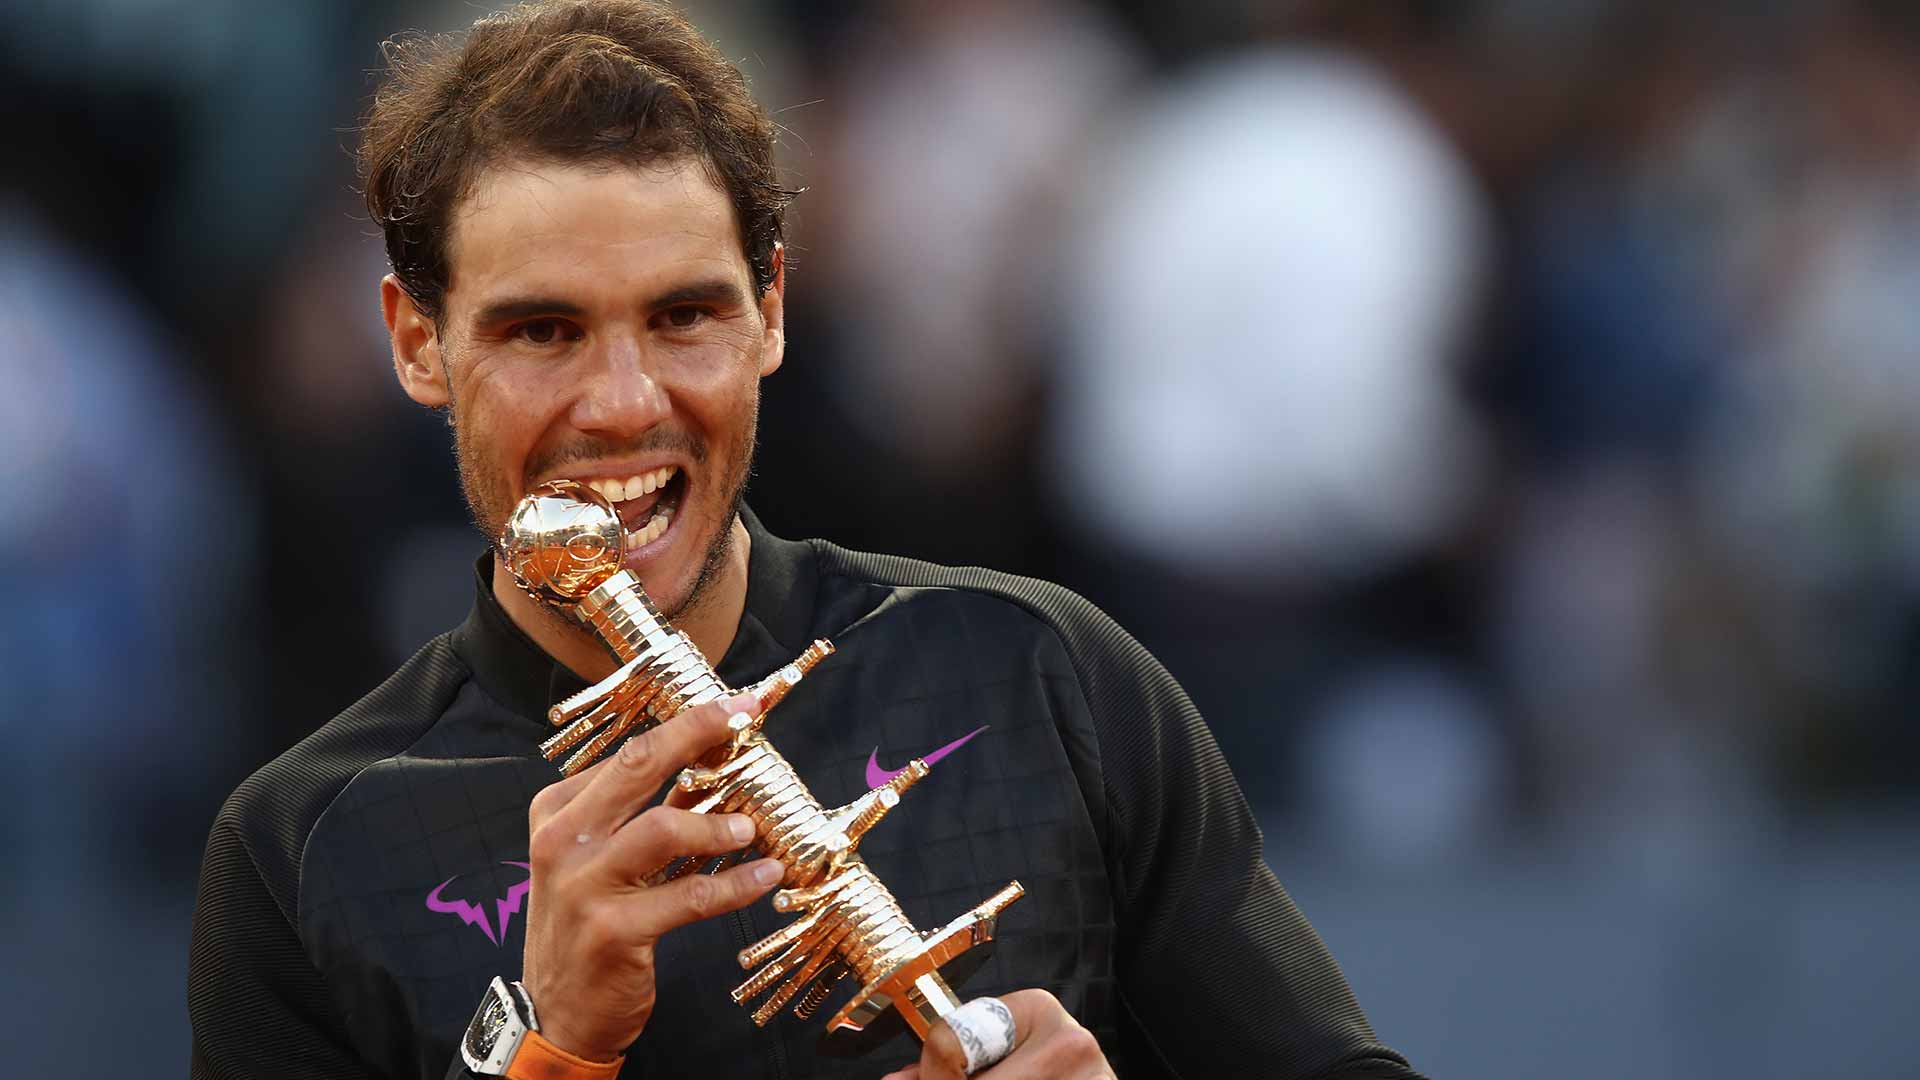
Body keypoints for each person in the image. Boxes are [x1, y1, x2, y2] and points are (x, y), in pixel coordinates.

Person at [187, 3, 1424, 1078]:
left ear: (771, 310)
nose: (624, 402)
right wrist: (551, 1055)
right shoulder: (306, 853)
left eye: (684, 317)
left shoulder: (1045, 679)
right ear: (416, 343)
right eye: (542, 332)